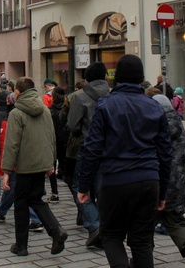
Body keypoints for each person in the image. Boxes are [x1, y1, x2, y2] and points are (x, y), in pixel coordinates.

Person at [78, 54, 172, 268]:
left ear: (116, 77)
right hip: (149, 179)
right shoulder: (155, 107)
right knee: (141, 240)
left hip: (115, 180)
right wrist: (163, 190)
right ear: (141, 78)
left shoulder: (106, 105)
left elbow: (92, 148)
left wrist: (84, 185)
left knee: (111, 235)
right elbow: (166, 153)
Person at [1, 77, 68, 257]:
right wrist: (50, 162)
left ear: (18, 92)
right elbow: (50, 136)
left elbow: (12, 144)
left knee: (21, 203)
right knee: (36, 198)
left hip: (24, 165)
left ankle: (21, 245)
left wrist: (7, 170)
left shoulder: (16, 113)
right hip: (41, 163)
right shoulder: (45, 110)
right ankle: (56, 231)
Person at [152, 94, 185, 268]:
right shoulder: (178, 123)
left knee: (144, 224)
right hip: (177, 184)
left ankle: (139, 260)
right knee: (176, 221)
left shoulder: (155, 125)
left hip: (157, 182)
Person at [67, 62, 111, 247]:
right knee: (102, 188)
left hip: (87, 147)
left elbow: (73, 125)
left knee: (79, 186)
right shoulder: (113, 95)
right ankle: (105, 226)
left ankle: (94, 225)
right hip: (109, 149)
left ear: (88, 78)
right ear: (105, 76)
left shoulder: (80, 96)